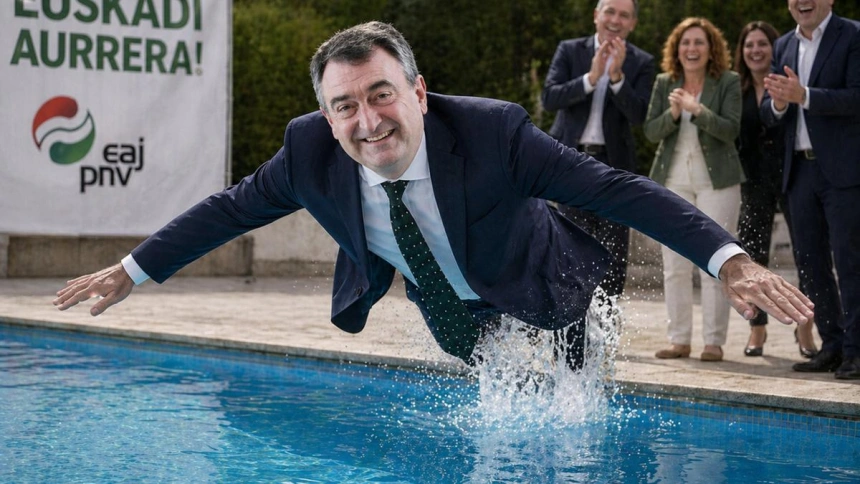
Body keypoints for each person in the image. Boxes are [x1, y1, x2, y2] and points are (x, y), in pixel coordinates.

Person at [53, 21, 813, 371]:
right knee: (492, 390)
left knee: (577, 392)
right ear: (326, 116)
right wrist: (133, 269)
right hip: (450, 305)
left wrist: (729, 260)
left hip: (542, 277)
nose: (368, 121)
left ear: (418, 92)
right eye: (345, 106)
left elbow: (617, 189)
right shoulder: (308, 152)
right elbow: (227, 211)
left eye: (382, 94)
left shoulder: (493, 134)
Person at [761, 1, 860, 379]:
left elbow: (856, 97)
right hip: (799, 171)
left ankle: (856, 350)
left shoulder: (853, 35)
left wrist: (805, 95)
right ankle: (831, 346)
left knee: (850, 262)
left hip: (844, 173)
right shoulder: (783, 44)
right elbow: (769, 111)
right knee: (811, 264)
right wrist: (779, 103)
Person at [644, 17, 744, 362]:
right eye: (685, 42)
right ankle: (679, 340)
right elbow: (651, 132)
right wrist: (673, 114)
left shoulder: (728, 81)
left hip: (718, 183)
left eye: (699, 42)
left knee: (716, 261)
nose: (692, 48)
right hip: (673, 181)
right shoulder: (664, 82)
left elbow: (730, 130)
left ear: (711, 48)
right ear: (676, 49)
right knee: (674, 265)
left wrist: (697, 110)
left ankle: (713, 341)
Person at [541, 0, 655, 299]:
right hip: (570, 162)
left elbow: (640, 115)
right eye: (610, 12)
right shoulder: (569, 50)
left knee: (613, 254)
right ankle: (570, 319)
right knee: (569, 249)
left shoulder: (642, 62)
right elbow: (549, 98)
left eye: (624, 15)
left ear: (633, 23)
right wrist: (590, 79)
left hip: (614, 167)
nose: (615, 20)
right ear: (596, 16)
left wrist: (617, 78)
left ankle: (608, 324)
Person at [733, 21, 818, 359]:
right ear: (741, 52)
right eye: (749, 45)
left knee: (807, 254)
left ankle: (805, 325)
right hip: (752, 181)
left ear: (774, 48)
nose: (755, 50)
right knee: (752, 256)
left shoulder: (787, 81)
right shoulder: (735, 88)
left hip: (793, 175)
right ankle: (757, 328)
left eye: (762, 44)